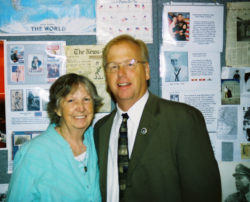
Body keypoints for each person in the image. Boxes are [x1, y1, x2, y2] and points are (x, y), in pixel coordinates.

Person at [94, 34, 221, 202]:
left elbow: (204, 195)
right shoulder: (100, 129)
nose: (121, 73)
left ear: (146, 71)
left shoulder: (182, 120)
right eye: (113, 66)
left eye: (130, 64)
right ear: (106, 76)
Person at [7, 73, 102, 202]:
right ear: (57, 109)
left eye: (86, 99)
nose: (81, 108)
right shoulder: (33, 152)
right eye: (71, 100)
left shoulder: (100, 140)